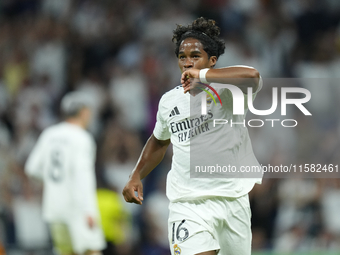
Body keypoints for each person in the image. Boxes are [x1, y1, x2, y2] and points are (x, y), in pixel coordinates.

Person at [123, 17, 263, 255]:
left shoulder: (229, 93)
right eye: (182, 57)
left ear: (212, 60)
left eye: (195, 56)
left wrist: (205, 76)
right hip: (188, 203)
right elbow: (159, 140)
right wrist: (136, 174)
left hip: (233, 200)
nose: (187, 62)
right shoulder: (169, 101)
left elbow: (253, 76)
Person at [25, 92, 106, 255]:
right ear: (84, 111)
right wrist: (89, 211)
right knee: (92, 251)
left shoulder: (49, 134)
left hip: (54, 208)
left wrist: (54, 182)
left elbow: (31, 168)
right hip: (78, 209)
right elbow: (83, 177)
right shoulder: (82, 138)